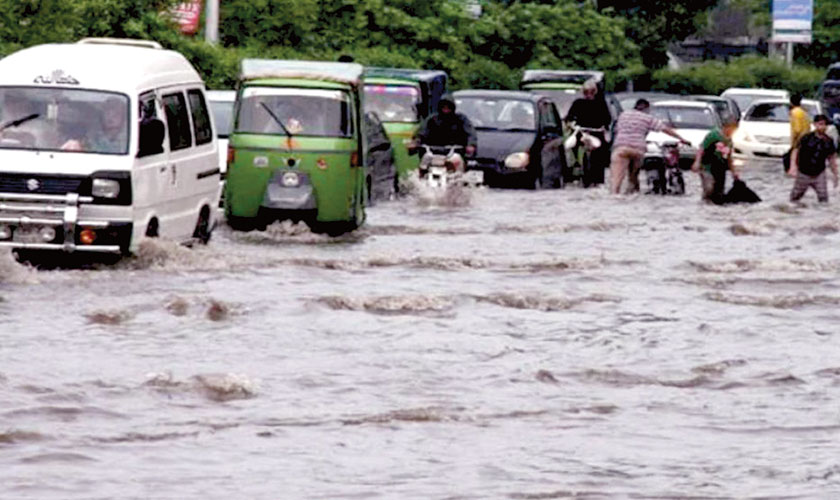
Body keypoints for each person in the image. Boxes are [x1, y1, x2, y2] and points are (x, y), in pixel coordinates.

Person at [610, 99, 691, 194]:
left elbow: (616, 130)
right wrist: (682, 139)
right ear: (647, 108)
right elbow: (665, 129)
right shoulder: (647, 118)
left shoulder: (623, 115)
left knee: (616, 178)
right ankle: (633, 192)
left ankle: (615, 195)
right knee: (634, 175)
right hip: (637, 150)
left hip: (621, 148)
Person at [565, 79, 611, 185]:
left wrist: (604, 127)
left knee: (600, 153)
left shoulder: (601, 103)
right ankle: (574, 170)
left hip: (596, 133)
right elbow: (570, 117)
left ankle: (598, 179)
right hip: (581, 132)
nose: (588, 94)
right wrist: (571, 124)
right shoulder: (578, 103)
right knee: (571, 148)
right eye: (586, 92)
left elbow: (607, 119)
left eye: (590, 91)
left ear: (595, 91)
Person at [788, 114, 839, 203]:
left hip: (819, 174)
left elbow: (831, 158)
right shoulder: (806, 138)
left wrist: (835, 175)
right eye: (820, 124)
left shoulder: (828, 141)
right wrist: (793, 167)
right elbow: (795, 151)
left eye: (824, 125)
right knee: (795, 197)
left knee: (823, 198)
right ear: (815, 124)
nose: (822, 127)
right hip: (804, 173)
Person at [691, 112, 739, 204]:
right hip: (707, 167)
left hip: (720, 169)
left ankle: (715, 211)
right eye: (732, 128)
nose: (733, 131)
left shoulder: (729, 140)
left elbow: (729, 157)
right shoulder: (713, 135)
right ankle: (705, 205)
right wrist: (697, 162)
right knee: (709, 188)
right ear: (726, 126)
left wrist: (734, 172)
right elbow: (702, 148)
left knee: (719, 192)